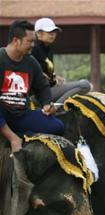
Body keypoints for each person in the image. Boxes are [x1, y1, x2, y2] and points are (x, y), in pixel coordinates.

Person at [0, 20, 63, 152]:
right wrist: (12, 138)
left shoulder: (31, 62)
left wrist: (47, 104)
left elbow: (42, 87)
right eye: (30, 41)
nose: (33, 45)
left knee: (57, 126)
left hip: (20, 115)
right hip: (2, 115)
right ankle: (13, 137)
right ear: (16, 40)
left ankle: (21, 134)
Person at [32, 18, 92, 103]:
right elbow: (32, 72)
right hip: (39, 93)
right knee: (84, 85)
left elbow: (48, 73)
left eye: (54, 31)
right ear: (38, 34)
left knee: (84, 83)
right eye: (49, 32)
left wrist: (55, 77)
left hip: (50, 89)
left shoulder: (48, 50)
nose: (52, 34)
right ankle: (56, 109)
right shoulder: (32, 49)